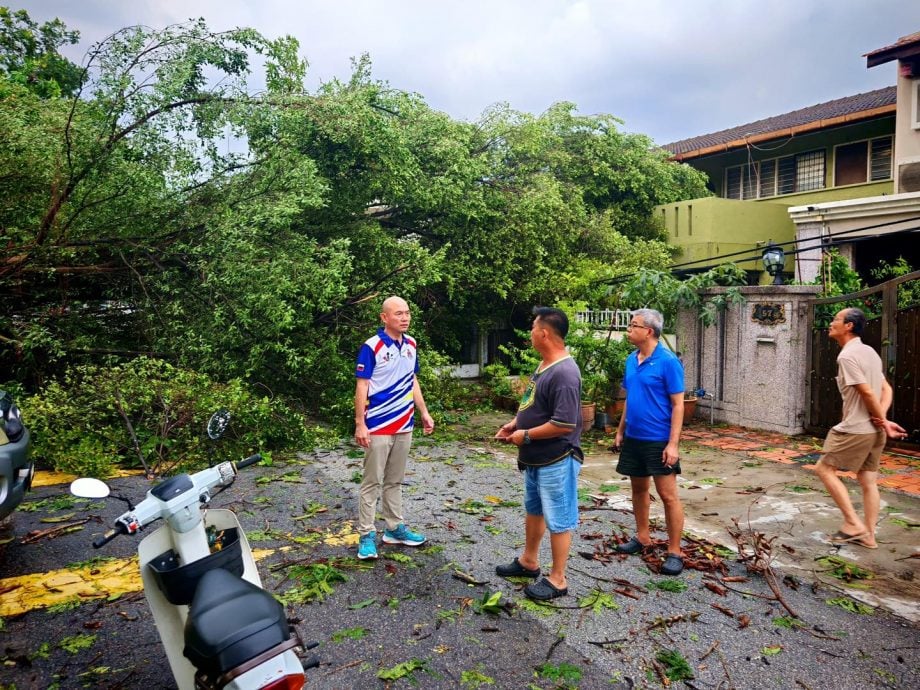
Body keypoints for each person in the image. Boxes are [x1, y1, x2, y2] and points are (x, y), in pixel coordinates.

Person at [494, 307, 583, 600]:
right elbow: (535, 403)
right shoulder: (545, 364)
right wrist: (516, 423)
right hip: (534, 457)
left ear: (544, 333)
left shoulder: (566, 372)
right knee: (534, 510)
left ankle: (558, 579)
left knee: (559, 517)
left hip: (556, 458)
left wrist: (527, 435)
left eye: (533, 328)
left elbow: (563, 423)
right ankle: (529, 561)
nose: (531, 333)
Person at [815, 307, 908, 549]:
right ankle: (869, 536)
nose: (831, 323)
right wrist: (882, 419)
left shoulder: (847, 356)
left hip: (855, 428)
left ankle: (853, 524)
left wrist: (884, 422)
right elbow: (886, 389)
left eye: (836, 319)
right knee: (868, 480)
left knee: (824, 469)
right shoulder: (869, 353)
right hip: (874, 430)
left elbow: (866, 392)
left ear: (849, 326)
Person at [354, 296, 435, 560]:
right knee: (371, 481)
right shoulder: (372, 346)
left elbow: (412, 380)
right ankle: (366, 534)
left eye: (407, 313)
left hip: (404, 424)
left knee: (395, 480)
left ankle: (394, 529)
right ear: (384, 317)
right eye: (398, 313)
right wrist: (360, 424)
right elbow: (362, 385)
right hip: (378, 425)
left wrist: (423, 412)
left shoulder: (411, 344)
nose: (405, 318)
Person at [614, 308, 686, 576]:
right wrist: (621, 430)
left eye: (633, 325)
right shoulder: (632, 360)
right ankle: (643, 537)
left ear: (649, 331)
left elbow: (678, 404)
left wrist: (673, 444)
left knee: (668, 495)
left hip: (658, 440)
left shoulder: (668, 362)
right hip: (634, 437)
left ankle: (675, 551)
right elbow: (630, 398)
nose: (628, 330)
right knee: (639, 490)